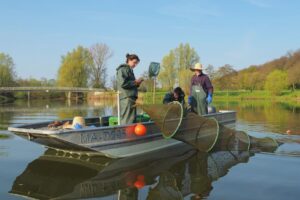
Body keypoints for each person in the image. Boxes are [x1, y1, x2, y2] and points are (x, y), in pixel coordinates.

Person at [116, 54, 144, 125]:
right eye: (134, 62)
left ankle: (131, 134)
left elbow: (131, 85)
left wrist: (137, 83)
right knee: (127, 119)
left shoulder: (129, 70)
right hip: (126, 99)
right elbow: (123, 84)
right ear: (129, 60)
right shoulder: (123, 69)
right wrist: (135, 82)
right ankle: (126, 134)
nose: (135, 65)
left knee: (132, 119)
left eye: (136, 63)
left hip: (131, 99)